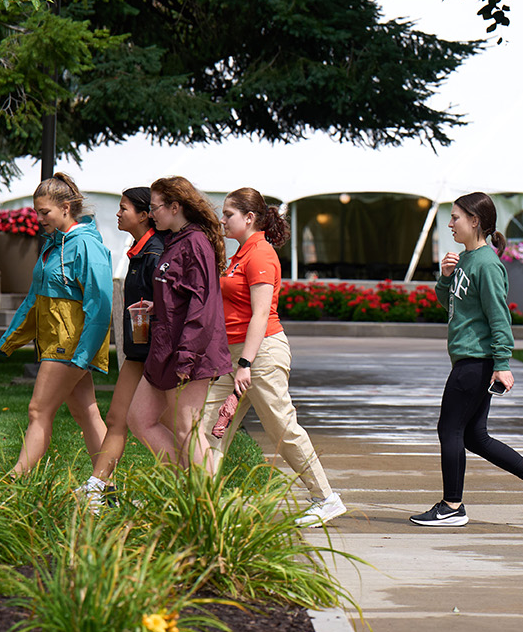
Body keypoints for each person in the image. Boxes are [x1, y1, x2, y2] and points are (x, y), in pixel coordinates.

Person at [198, 188, 346, 528]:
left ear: (249, 218)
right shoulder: (239, 254)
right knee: (206, 427)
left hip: (260, 354)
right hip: (236, 355)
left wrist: (246, 364)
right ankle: (200, 500)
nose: (222, 220)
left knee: (281, 426)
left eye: (229, 214)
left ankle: (326, 498)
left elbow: (261, 315)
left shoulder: (261, 254)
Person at [410, 191, 523, 527]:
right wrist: (446, 277)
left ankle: (452, 506)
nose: (450, 224)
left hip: (476, 361)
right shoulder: (465, 259)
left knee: (449, 430)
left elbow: (498, 317)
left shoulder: (488, 264)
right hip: (467, 358)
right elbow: (450, 306)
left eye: (455, 217)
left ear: (474, 221)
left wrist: (503, 363)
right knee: (474, 436)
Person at [0, 172, 112, 479]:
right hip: (59, 343)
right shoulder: (55, 244)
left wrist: (84, 353)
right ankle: (107, 486)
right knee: (85, 412)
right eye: (36, 212)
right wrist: (12, 336)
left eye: (44, 212)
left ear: (66, 207)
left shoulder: (85, 245)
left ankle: (15, 481)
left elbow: (100, 304)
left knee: (38, 411)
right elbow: (37, 298)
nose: (39, 219)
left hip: (68, 345)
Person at [128, 176, 231, 472]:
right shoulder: (175, 241)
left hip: (189, 353)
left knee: (187, 427)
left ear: (175, 207)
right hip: (165, 349)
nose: (150, 213)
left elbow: (203, 308)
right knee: (139, 419)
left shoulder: (195, 243)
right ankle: (191, 485)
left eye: (155, 207)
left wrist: (186, 359)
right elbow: (178, 296)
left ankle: (206, 501)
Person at [80, 187, 161, 508]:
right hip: (137, 352)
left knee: (166, 427)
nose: (117, 213)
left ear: (144, 215)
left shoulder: (155, 253)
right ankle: (98, 488)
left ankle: (192, 488)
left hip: (155, 355)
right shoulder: (139, 251)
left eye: (123, 208)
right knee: (116, 418)